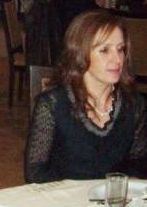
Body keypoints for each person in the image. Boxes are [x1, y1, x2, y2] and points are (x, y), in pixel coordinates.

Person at [25, 10, 147, 183]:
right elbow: (35, 173)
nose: (117, 59)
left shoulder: (134, 104)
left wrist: (119, 186)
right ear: (80, 54)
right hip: (67, 199)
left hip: (113, 197)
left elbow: (139, 161)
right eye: (104, 50)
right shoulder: (53, 104)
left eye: (120, 49)